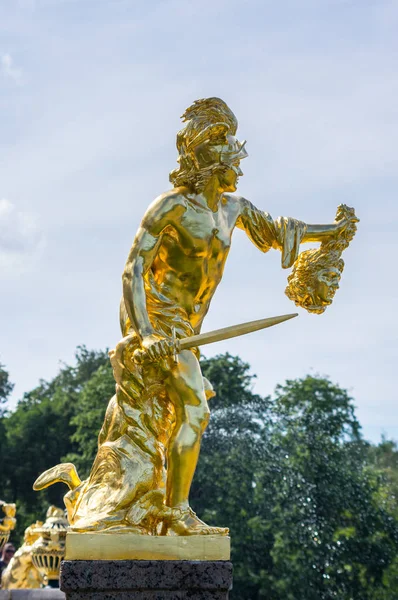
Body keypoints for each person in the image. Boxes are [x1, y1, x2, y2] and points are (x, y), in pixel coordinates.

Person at [34, 97, 349, 536]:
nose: (238, 164)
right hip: (157, 322)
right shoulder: (171, 207)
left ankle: (105, 495)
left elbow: (278, 233)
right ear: (205, 158)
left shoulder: (233, 209)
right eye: (229, 153)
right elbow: (132, 270)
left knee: (155, 425)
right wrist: (144, 334)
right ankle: (176, 512)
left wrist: (333, 233)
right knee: (195, 410)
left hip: (187, 331)